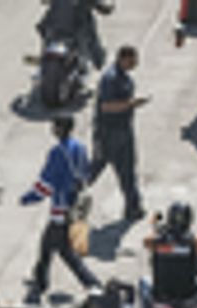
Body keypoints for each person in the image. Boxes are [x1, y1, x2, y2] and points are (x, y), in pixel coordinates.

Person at [23, 114, 99, 304]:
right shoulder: (80, 148)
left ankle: (90, 284)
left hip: (61, 208)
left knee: (53, 247)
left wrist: (28, 198)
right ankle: (42, 281)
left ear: (58, 129)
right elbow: (87, 173)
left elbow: (46, 184)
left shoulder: (57, 152)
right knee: (58, 248)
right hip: (76, 208)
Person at [88, 46, 146, 223]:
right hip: (108, 132)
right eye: (133, 60)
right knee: (97, 166)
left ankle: (133, 208)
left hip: (123, 130)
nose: (136, 63)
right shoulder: (111, 78)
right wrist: (131, 104)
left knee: (128, 170)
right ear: (123, 59)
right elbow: (106, 106)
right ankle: (70, 195)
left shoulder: (123, 77)